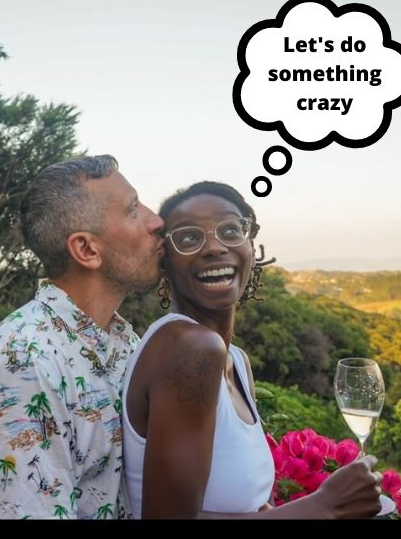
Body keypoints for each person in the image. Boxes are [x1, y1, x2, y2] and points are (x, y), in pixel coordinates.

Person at [122, 181, 383, 519]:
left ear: (250, 245)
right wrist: (324, 506)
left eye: (231, 230)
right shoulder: (189, 348)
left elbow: (249, 508)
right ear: (166, 262)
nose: (214, 247)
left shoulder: (236, 360)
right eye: (188, 237)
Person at [0, 155, 164, 519]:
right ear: (87, 250)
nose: (157, 221)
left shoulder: (127, 345)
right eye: (134, 210)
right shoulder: (25, 360)